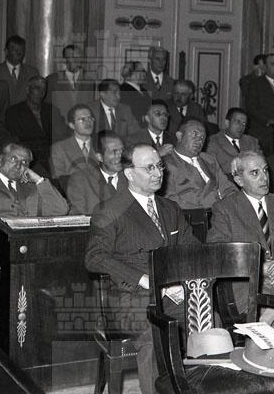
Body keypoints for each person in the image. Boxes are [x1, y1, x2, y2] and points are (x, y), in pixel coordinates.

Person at [85, 143, 198, 394]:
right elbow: (95, 257)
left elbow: (192, 250)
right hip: (130, 296)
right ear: (129, 173)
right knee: (156, 331)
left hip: (174, 292)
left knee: (209, 318)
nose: (158, 173)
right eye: (149, 168)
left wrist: (187, 282)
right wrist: (144, 279)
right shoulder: (109, 210)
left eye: (160, 166)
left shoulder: (170, 208)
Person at [207, 151, 274, 331]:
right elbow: (218, 254)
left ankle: (259, 334)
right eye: (255, 173)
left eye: (265, 170)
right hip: (249, 289)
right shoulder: (225, 209)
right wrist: (258, 267)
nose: (264, 177)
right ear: (239, 180)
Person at [0, 143, 69, 271]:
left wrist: (39, 180)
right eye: (13, 159)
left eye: (25, 162)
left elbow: (61, 210)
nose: (18, 165)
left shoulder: (33, 188)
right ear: (0, 160)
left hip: (28, 251)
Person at [162, 119, 235, 209]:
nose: (199, 140)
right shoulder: (166, 164)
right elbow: (170, 201)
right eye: (194, 134)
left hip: (223, 211)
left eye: (202, 137)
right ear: (179, 136)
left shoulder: (209, 159)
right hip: (195, 214)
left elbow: (228, 188)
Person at [5, 76, 67, 175]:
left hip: (53, 157)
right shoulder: (14, 112)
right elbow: (15, 141)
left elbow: (61, 136)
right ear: (28, 90)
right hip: (28, 159)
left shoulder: (52, 110)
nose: (41, 92)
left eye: (44, 90)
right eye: (37, 88)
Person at [66, 130, 128, 215]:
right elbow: (77, 217)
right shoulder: (80, 180)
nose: (120, 157)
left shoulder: (132, 176)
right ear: (100, 157)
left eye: (122, 151)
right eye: (114, 152)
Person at [50, 103, 99, 191]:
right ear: (72, 125)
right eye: (82, 119)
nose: (88, 122)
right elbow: (58, 180)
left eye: (90, 118)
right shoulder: (59, 148)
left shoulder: (101, 145)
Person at [206, 107, 262, 175]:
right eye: (238, 122)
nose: (241, 127)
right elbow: (212, 170)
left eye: (244, 124)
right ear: (227, 123)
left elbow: (261, 164)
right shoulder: (213, 142)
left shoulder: (252, 142)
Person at [45, 44, 94, 120]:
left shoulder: (89, 82)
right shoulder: (52, 80)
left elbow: (90, 107)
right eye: (72, 57)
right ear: (64, 60)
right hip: (58, 124)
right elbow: (46, 107)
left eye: (78, 57)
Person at [0, 35, 40, 106]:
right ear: (6, 51)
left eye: (22, 50)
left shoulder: (32, 72)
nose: (19, 53)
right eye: (15, 49)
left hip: (24, 112)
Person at [119, 61, 150, 126]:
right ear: (131, 73)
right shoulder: (123, 90)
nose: (144, 74)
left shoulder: (143, 90)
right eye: (141, 71)